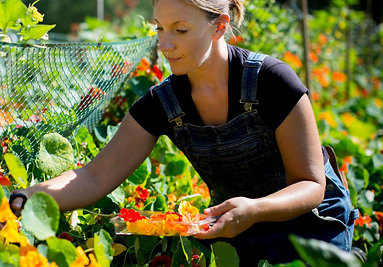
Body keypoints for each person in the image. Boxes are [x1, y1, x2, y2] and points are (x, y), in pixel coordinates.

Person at [9, 0, 358, 265]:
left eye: (180, 30)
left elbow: (311, 184)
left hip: (312, 228)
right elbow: (93, 178)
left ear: (220, 25)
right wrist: (20, 200)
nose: (165, 44)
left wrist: (254, 209)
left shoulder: (272, 81)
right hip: (234, 228)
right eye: (160, 28)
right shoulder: (163, 102)